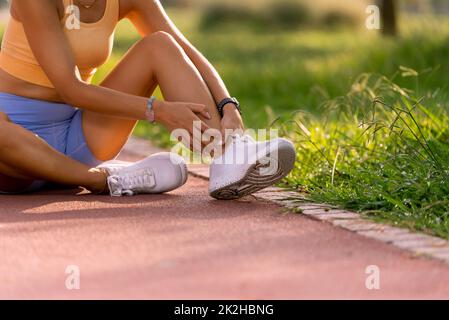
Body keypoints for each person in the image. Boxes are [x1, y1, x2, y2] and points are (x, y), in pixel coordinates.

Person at [0, 0, 296, 199]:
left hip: (79, 137)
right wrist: (157, 110)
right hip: (13, 153)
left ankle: (227, 154)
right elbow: (71, 89)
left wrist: (226, 104)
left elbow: (185, 49)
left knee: (160, 46)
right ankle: (105, 180)